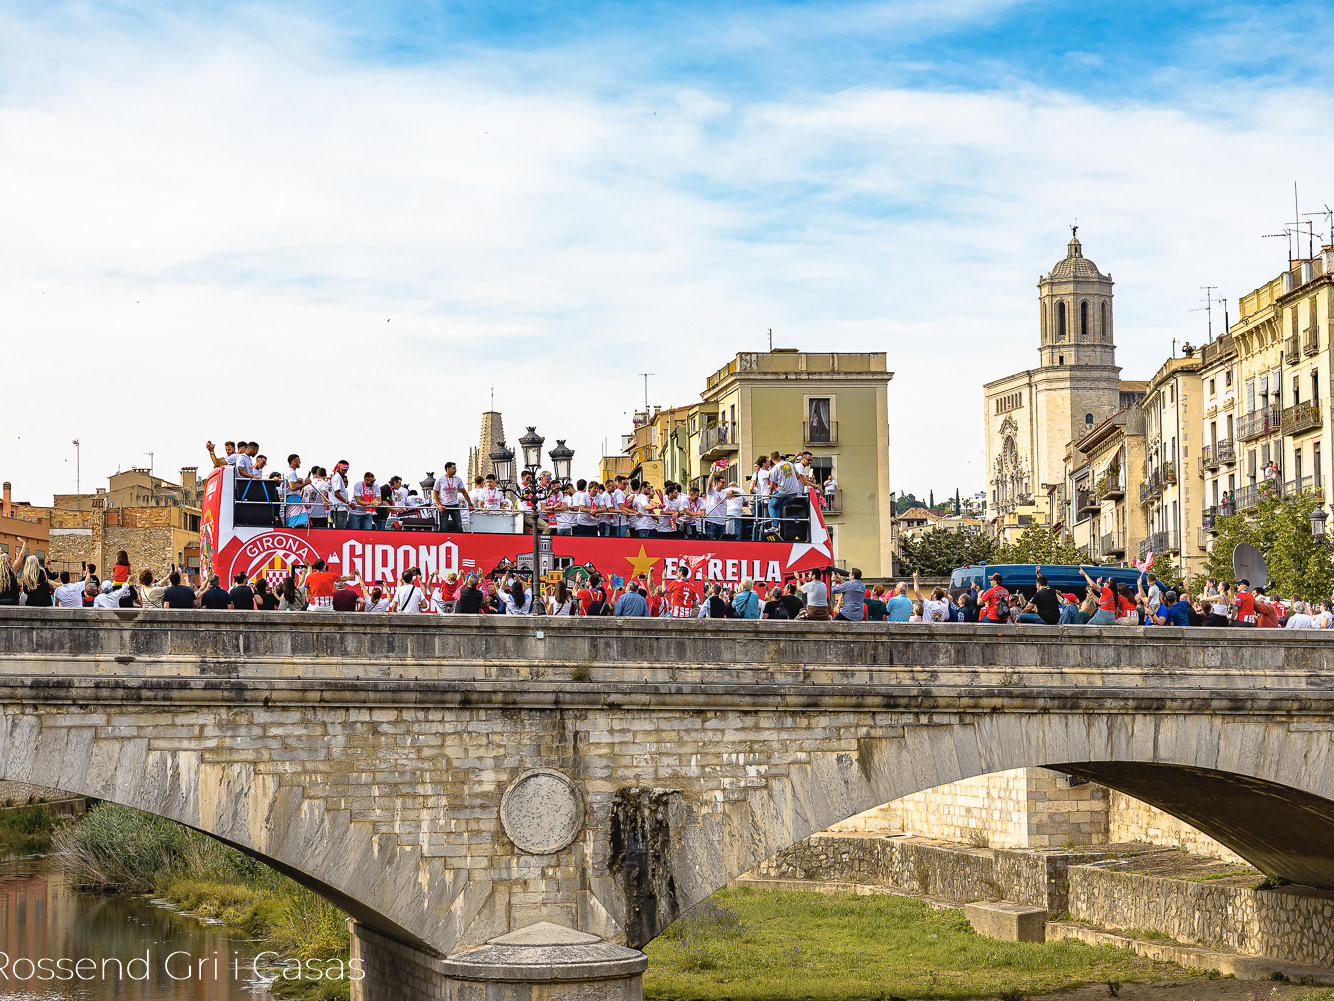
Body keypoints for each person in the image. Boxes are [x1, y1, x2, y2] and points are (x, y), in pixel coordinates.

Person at [433, 462, 471, 533]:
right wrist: (439, 504)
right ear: (448, 469)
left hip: (455, 505)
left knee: (459, 527)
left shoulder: (458, 479)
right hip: (444, 506)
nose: (455, 470)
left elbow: (464, 492)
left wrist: (470, 504)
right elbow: (435, 493)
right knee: (443, 527)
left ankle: (460, 541)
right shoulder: (440, 479)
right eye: (453, 468)